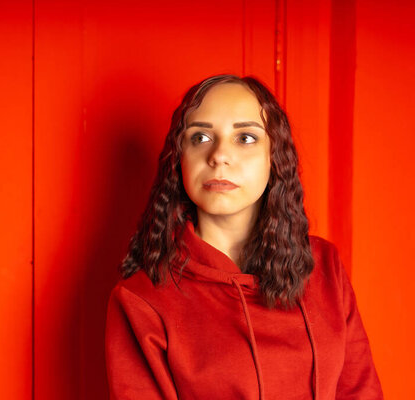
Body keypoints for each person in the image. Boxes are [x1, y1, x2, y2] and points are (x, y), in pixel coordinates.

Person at [105, 75, 383, 399]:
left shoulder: (325, 268)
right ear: (179, 159)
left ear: (274, 156)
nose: (220, 155)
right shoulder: (140, 300)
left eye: (246, 138)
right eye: (200, 138)